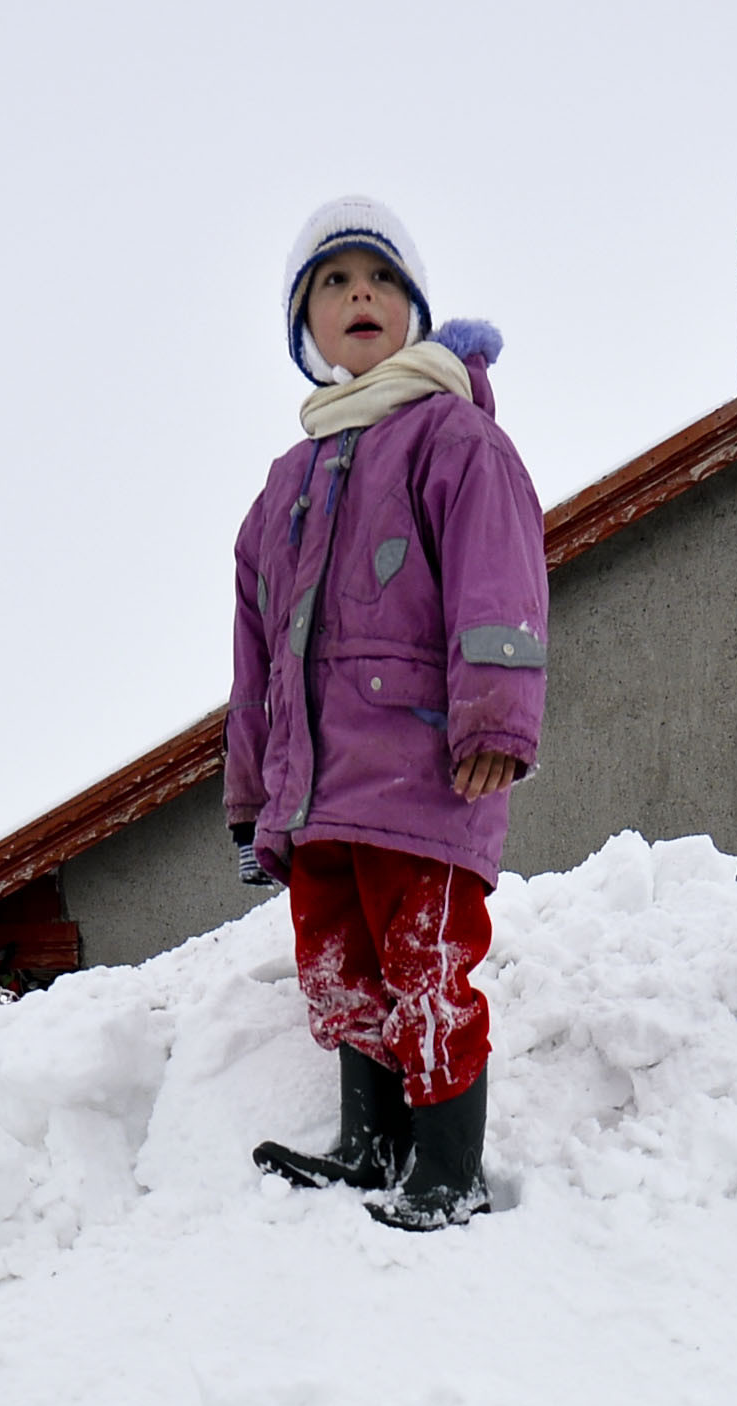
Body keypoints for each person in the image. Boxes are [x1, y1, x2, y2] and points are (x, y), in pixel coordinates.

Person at [228, 196, 547, 1231]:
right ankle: (368, 1146)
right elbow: (255, 654)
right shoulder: (284, 485)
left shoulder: (451, 437)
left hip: (419, 770)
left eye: (378, 278)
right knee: (338, 965)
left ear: (410, 310)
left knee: (425, 961)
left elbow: (498, 581)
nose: (358, 293)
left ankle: (448, 1168)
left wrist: (493, 720)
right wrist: (251, 794)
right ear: (303, 331)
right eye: (333, 282)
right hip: (315, 787)